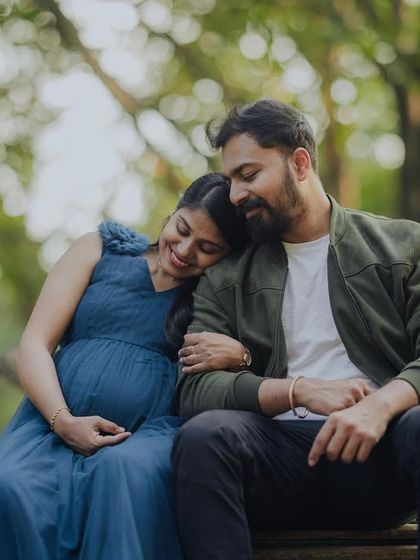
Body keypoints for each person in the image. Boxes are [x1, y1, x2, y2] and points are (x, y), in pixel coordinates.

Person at [173, 99, 420, 559]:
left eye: (248, 175)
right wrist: (297, 390)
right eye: (229, 181)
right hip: (278, 460)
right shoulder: (226, 277)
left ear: (300, 163)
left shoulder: (403, 245)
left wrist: (380, 407)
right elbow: (195, 390)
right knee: (204, 438)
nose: (234, 195)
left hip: (381, 454)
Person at [0, 172, 251, 560]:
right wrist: (63, 421)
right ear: (173, 212)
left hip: (148, 435)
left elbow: (251, 362)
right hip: (50, 423)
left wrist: (240, 355)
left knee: (120, 475)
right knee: (9, 485)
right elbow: (33, 345)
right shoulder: (100, 249)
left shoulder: (213, 298)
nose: (184, 250)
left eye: (207, 248)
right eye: (182, 229)